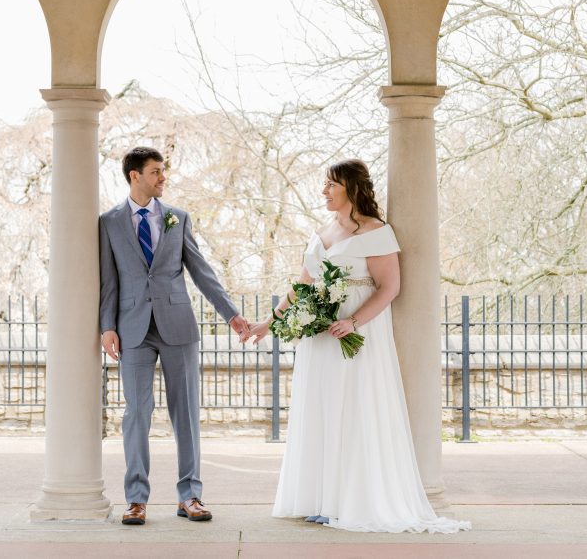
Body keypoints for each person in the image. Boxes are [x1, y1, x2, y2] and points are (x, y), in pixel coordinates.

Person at [242, 159, 470, 533]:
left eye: (331, 184)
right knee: (323, 408)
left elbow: (390, 287)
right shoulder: (323, 230)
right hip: (319, 334)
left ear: (351, 187)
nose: (324, 191)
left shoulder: (377, 232)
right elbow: (302, 285)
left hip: (355, 332)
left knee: (354, 410)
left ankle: (347, 501)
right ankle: (321, 498)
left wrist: (353, 322)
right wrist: (269, 322)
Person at [99, 146, 250, 526]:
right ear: (135, 175)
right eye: (156, 172)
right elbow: (108, 281)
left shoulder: (177, 219)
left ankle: (190, 496)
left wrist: (230, 313)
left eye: (163, 171)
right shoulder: (109, 222)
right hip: (132, 329)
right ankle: (136, 499)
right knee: (137, 414)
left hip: (178, 327)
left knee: (186, 414)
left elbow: (202, 272)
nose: (163, 178)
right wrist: (106, 326)